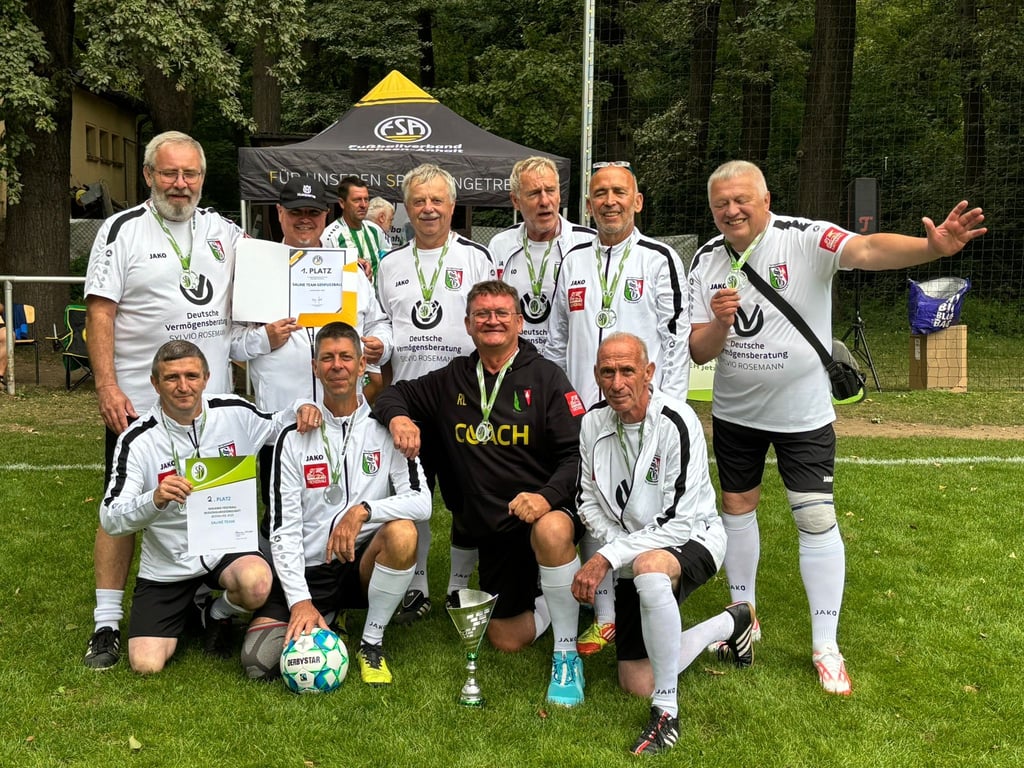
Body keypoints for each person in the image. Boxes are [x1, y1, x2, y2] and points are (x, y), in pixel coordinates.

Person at [688, 160, 987, 696]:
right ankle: (744, 618)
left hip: (803, 415)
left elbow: (868, 252)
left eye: (741, 200)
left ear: (765, 198)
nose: (731, 211)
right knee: (737, 510)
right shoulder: (707, 259)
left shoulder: (803, 238)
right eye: (720, 205)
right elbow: (698, 349)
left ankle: (826, 645)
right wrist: (719, 323)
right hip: (736, 414)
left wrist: (932, 249)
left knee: (816, 518)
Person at [373, 280, 588, 706]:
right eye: (483, 314)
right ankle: (555, 597)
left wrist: (545, 497)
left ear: (519, 322)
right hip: (494, 533)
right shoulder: (453, 377)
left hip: (542, 514)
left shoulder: (546, 377)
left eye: (502, 313)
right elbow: (392, 394)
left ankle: (566, 649)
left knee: (549, 531)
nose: (492, 320)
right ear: (468, 325)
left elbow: (577, 458)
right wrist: (400, 419)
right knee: (507, 639)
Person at [83, 131, 245, 670]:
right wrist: (107, 386)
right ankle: (107, 623)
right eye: (170, 173)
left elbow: (279, 273)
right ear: (149, 175)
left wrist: (344, 271)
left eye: (191, 174)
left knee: (210, 503)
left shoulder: (224, 230)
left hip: (209, 404)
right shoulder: (121, 229)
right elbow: (100, 314)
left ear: (202, 178)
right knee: (121, 513)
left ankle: (207, 602)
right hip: (138, 408)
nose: (181, 184)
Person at [573, 332, 754, 754]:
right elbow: (586, 498)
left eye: (627, 371)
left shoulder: (678, 420)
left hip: (695, 538)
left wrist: (608, 556)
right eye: (607, 372)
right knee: (636, 681)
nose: (617, 383)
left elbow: (678, 523)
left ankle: (666, 712)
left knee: (650, 569)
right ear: (598, 377)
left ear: (649, 373)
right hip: (632, 549)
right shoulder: (591, 423)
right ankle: (731, 623)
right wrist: (618, 546)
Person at [98, 340, 320, 674]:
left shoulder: (233, 411)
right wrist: (154, 499)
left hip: (226, 549)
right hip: (169, 564)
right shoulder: (137, 439)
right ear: (155, 383)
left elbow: (279, 422)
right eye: (171, 378)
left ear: (206, 377)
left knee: (258, 582)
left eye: (191, 376)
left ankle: (217, 613)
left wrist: (304, 405)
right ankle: (187, 605)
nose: (183, 386)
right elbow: (111, 518)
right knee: (146, 664)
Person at [546, 161, 690, 658]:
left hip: (642, 412)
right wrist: (565, 402)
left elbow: (676, 341)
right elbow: (558, 336)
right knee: (596, 506)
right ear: (588, 205)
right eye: (600, 193)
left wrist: (662, 409)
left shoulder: (661, 258)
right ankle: (604, 617)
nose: (609, 201)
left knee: (640, 505)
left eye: (619, 192)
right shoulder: (571, 259)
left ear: (637, 201)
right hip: (588, 415)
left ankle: (650, 591)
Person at [242, 322, 430, 685]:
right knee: (257, 662)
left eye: (346, 357)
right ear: (315, 367)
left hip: (362, 566)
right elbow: (283, 530)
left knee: (404, 532)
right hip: (309, 569)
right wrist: (299, 600)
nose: (337, 366)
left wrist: (364, 512)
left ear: (363, 366)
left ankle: (371, 641)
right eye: (327, 358)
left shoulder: (386, 429)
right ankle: (321, 611)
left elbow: (422, 501)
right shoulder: (293, 437)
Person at [375, 163, 496, 624]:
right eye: (419, 201)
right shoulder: (390, 264)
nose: (428, 209)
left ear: (452, 205)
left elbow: (492, 319)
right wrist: (379, 345)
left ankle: (458, 587)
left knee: (466, 494)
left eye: (437, 201)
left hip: (468, 396)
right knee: (415, 492)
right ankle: (418, 584)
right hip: (412, 399)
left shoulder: (477, 258)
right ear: (407, 208)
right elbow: (381, 323)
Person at [230, 177, 393, 509]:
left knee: (347, 511)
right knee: (280, 515)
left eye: (313, 212)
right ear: (279, 212)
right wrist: (263, 339)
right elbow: (230, 345)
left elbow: (378, 321)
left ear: (326, 214)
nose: (305, 218)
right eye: (296, 211)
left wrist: (381, 344)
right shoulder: (255, 269)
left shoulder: (349, 268)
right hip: (282, 423)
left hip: (345, 422)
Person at [488, 156, 595, 355]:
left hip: (570, 367)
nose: (544, 201)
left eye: (550, 191)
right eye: (534, 193)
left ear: (559, 195)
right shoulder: (500, 245)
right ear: (516, 201)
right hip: (518, 367)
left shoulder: (587, 242)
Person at [322, 175, 389, 283]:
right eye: (357, 200)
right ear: (342, 203)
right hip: (347, 298)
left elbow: (388, 261)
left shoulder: (375, 230)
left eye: (366, 199)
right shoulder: (329, 236)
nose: (363, 205)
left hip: (376, 299)